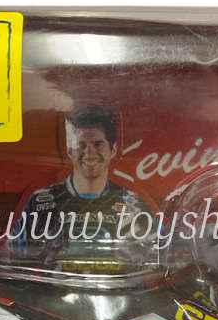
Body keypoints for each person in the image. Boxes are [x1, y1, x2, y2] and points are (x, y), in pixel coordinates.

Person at [15, 105, 158, 270]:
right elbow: (13, 260)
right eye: (81, 144)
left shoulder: (136, 206)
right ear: (69, 150)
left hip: (122, 287)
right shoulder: (40, 203)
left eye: (98, 144)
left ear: (113, 149)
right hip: (55, 286)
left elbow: (162, 260)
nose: (89, 153)